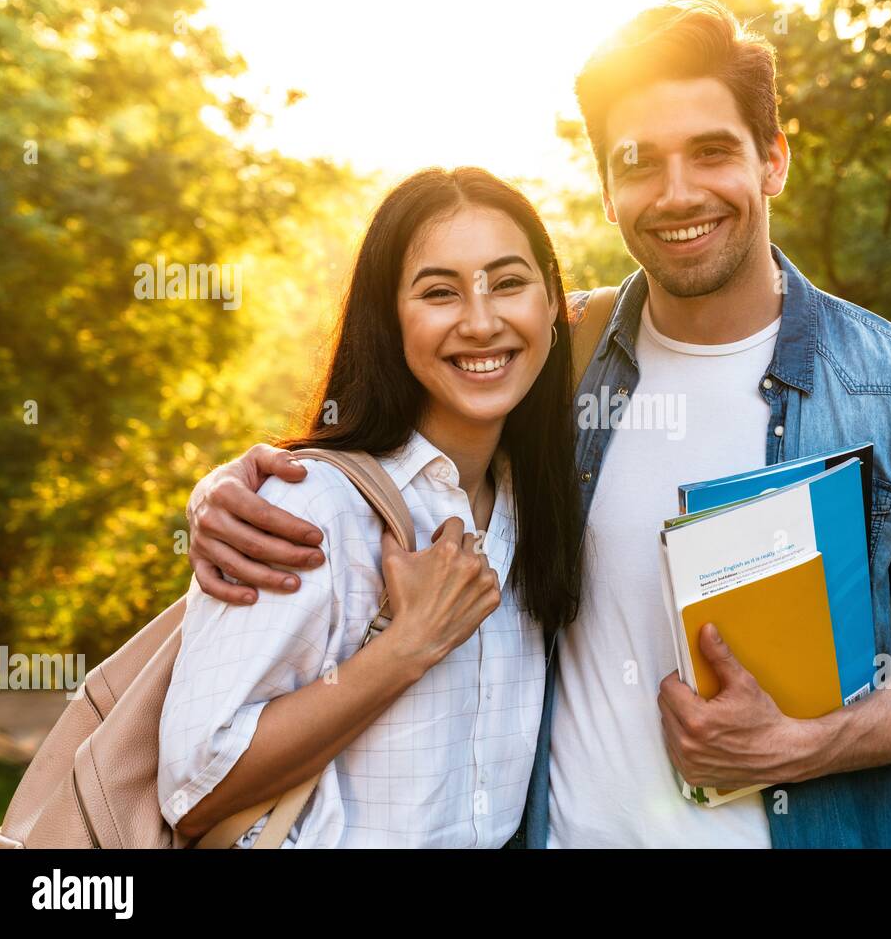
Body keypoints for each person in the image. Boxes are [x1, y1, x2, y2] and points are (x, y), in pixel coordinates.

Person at [182, 0, 891, 848]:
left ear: (773, 160)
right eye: (640, 162)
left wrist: (802, 745)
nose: (678, 191)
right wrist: (225, 488)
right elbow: (396, 443)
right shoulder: (554, 362)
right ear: (609, 193)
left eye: (711, 151)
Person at [157, 166, 584, 847]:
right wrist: (405, 649)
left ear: (554, 301)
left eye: (508, 282)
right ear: (390, 319)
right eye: (439, 292)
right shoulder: (311, 504)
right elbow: (195, 785)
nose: (481, 321)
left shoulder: (533, 508)